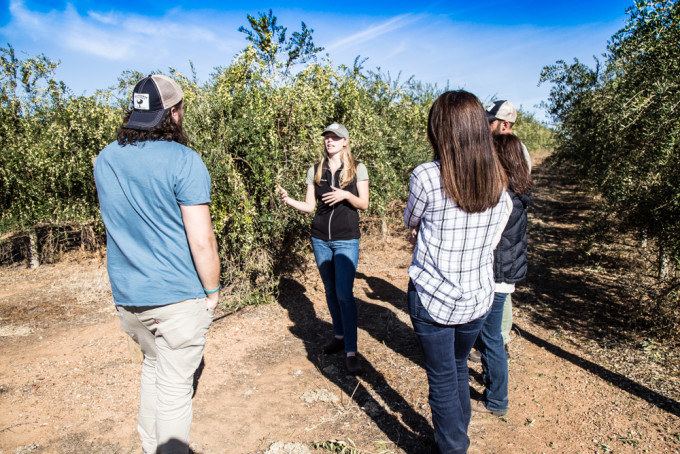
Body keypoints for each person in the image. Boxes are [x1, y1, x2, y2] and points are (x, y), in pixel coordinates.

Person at [94, 74, 220, 454]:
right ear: (174, 113)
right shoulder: (185, 160)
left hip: (129, 298)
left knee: (152, 368)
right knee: (175, 391)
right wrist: (212, 292)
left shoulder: (105, 158)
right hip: (176, 297)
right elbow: (202, 240)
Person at [404, 90, 511, 453]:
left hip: (433, 295)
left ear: (440, 130)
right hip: (477, 298)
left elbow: (411, 220)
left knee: (443, 377)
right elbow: (495, 239)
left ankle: (453, 446)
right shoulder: (499, 183)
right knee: (458, 364)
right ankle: (458, 435)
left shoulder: (426, 176)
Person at [277, 123, 369, 375]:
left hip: (346, 239)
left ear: (345, 142)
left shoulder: (357, 168)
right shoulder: (315, 171)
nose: (330, 141)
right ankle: (339, 336)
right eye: (327, 138)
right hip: (320, 239)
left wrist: (345, 196)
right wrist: (289, 201)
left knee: (344, 294)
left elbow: (364, 203)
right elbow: (309, 206)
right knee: (330, 291)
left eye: (335, 138)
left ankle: (351, 350)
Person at [471, 134, 532, 418]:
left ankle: (497, 399)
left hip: (496, 275)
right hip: (506, 275)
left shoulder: (502, 197)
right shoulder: (519, 192)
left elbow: (493, 241)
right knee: (490, 335)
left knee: (490, 336)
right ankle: (492, 382)